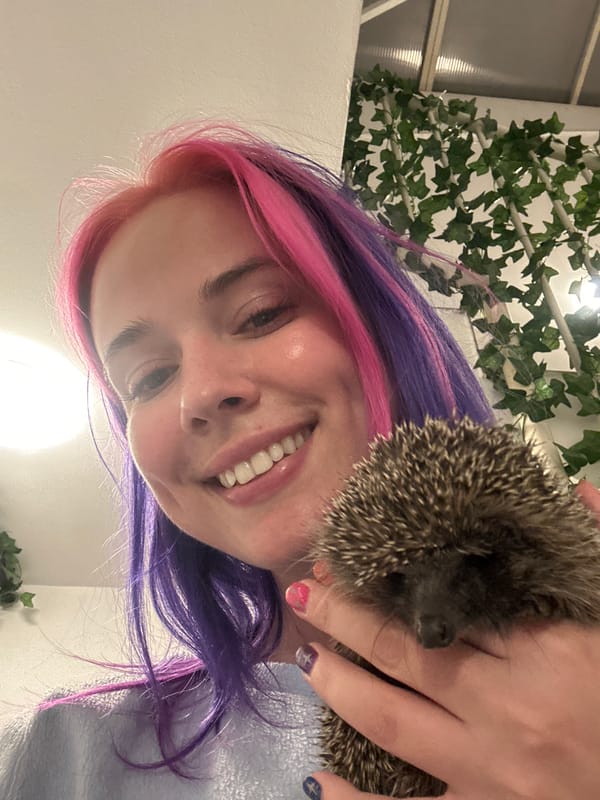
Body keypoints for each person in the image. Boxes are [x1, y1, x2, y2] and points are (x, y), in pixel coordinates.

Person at [2, 122, 600, 800]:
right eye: (146, 378)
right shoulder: (56, 755)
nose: (200, 394)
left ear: (381, 327)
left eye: (260, 314)